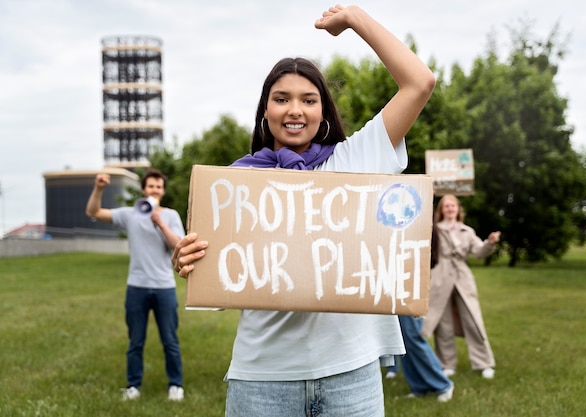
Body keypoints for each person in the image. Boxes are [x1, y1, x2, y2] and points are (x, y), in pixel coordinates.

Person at [172, 4, 436, 416]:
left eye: (308, 100)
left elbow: (419, 83)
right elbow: (222, 281)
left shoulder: (355, 161)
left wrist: (354, 19)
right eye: (282, 99)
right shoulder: (236, 186)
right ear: (266, 110)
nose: (295, 110)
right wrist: (189, 260)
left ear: (322, 112)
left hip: (351, 374)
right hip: (262, 379)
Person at [85, 169, 186, 401]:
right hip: (136, 287)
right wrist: (99, 188)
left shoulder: (170, 215)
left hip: (164, 287)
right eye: (150, 186)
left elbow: (178, 245)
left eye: (158, 187)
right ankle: (133, 386)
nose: (154, 190)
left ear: (163, 191)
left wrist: (160, 223)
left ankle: (176, 385)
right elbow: (93, 212)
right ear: (143, 190)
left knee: (170, 340)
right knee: (136, 341)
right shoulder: (130, 214)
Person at [422, 194, 501, 379]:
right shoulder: (434, 230)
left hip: (462, 279)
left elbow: (479, 252)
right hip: (440, 279)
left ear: (458, 209)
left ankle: (484, 363)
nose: (450, 208)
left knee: (473, 320)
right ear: (441, 210)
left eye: (453, 205)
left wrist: (489, 244)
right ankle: (446, 363)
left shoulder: (467, 231)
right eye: (446, 206)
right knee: (443, 324)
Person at [385, 225, 454, 402]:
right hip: (395, 277)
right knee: (403, 338)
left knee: (413, 335)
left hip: (411, 277)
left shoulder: (419, 215)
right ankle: (419, 387)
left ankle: (442, 384)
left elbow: (431, 251)